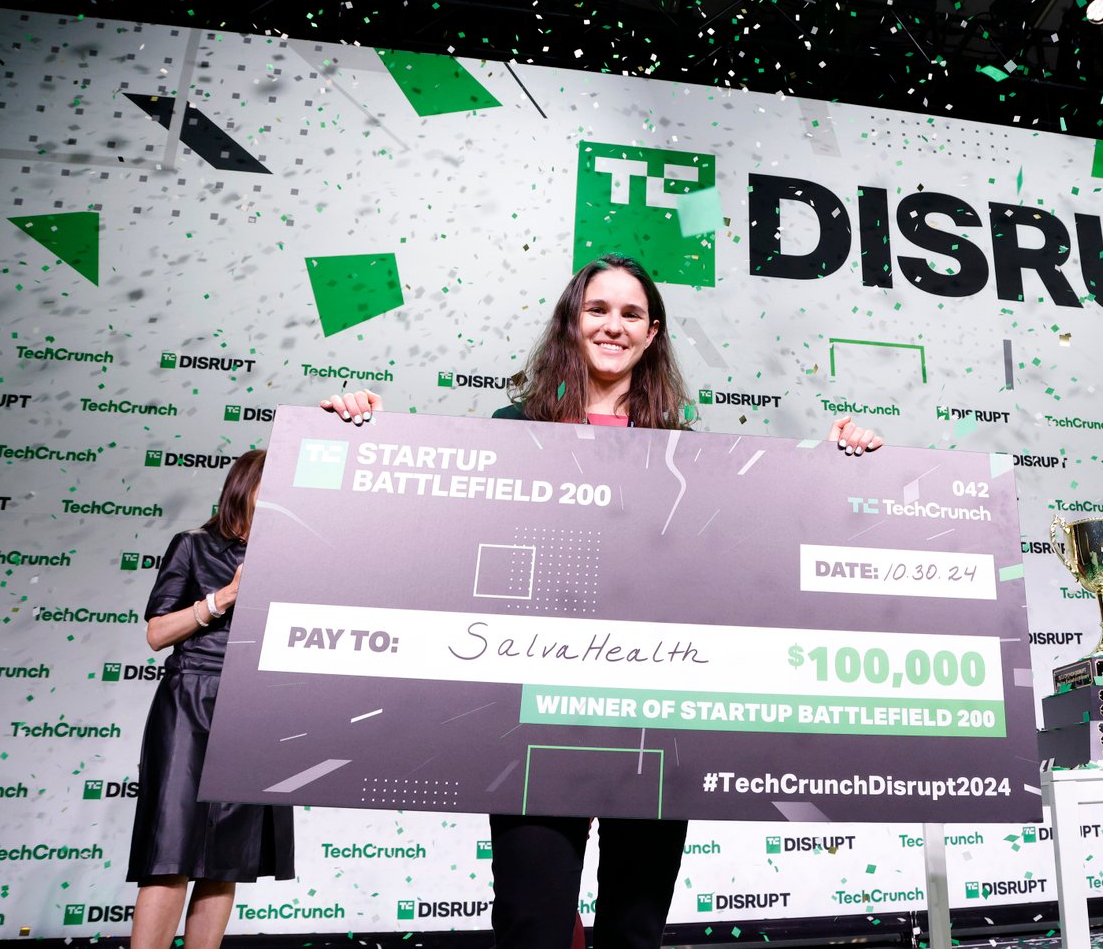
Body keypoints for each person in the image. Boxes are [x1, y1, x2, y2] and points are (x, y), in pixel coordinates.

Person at [321, 253, 882, 949]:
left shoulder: (685, 453)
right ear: (572, 321)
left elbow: (753, 548)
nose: (612, 324)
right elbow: (437, 533)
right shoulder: (510, 428)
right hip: (530, 719)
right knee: (532, 925)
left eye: (630, 313)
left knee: (634, 931)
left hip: (655, 722)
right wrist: (360, 435)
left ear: (652, 335)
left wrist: (835, 462)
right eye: (597, 309)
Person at [127, 449, 294, 949]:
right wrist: (223, 598)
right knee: (170, 852)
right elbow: (157, 634)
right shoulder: (194, 546)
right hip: (190, 704)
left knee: (226, 858)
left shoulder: (295, 555)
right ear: (245, 487)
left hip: (255, 709)